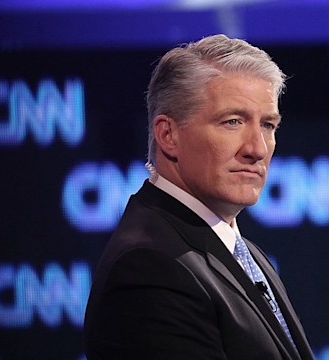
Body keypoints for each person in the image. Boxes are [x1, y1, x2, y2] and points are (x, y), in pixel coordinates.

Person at [84, 34, 315, 360]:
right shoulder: (150, 268)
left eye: (267, 125)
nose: (257, 149)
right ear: (168, 135)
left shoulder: (245, 253)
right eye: (232, 122)